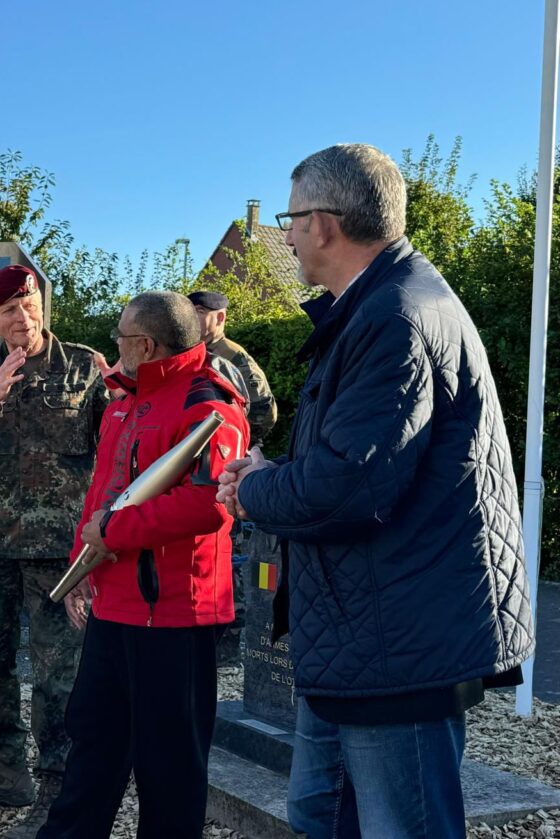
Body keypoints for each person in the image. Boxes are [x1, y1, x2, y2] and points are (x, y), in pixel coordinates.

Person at [217, 144, 534, 839]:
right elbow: (347, 458)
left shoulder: (396, 318)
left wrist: (258, 488)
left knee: (400, 825)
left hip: (398, 644)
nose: (289, 234)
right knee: (320, 815)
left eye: (291, 218)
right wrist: (271, 474)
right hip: (364, 635)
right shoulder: (377, 306)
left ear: (324, 223)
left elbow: (345, 486)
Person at [37, 291, 249, 839]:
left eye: (122, 336)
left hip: (176, 617)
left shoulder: (209, 406)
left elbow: (211, 505)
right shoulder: (125, 401)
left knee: (170, 769)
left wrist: (110, 533)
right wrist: (82, 568)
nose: (116, 345)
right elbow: (103, 490)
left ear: (145, 344)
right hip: (117, 607)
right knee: (94, 746)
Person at [0, 264, 108, 839]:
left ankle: (57, 789)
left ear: (40, 304)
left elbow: (120, 445)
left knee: (59, 673)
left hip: (62, 554)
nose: (20, 317)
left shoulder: (85, 366)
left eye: (27, 305)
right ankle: (6, 772)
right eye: (7, 310)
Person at [189, 290, 276, 445]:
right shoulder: (192, 352)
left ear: (219, 318)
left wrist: (243, 440)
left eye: (199, 312)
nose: (191, 318)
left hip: (228, 446)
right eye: (189, 312)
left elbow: (264, 411)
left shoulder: (232, 356)